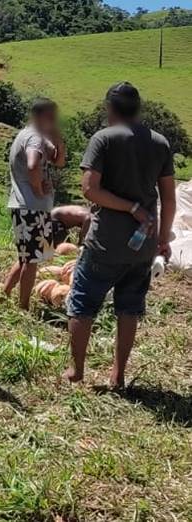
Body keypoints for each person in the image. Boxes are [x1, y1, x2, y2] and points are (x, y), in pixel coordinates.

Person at [62, 82, 176, 388]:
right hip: (143, 244)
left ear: (109, 109)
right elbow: (169, 198)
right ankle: (119, 374)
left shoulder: (103, 139)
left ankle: (77, 371)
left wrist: (130, 207)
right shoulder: (160, 143)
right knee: (129, 307)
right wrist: (163, 239)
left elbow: (90, 190)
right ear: (138, 109)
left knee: (83, 303)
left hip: (105, 242)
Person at [3, 99, 66, 309]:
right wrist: (39, 189)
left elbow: (59, 161)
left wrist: (58, 140)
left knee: (26, 257)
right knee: (31, 261)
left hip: (26, 206)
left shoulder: (32, 135)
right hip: (31, 206)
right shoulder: (34, 138)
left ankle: (5, 293)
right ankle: (23, 307)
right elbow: (32, 165)